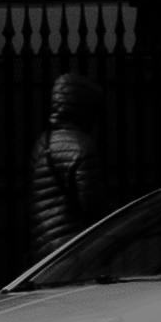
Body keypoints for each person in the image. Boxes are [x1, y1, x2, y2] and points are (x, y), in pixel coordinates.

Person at [30, 66, 109, 257]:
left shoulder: (44, 141)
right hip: (72, 245)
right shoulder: (81, 146)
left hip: (44, 242)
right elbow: (92, 206)